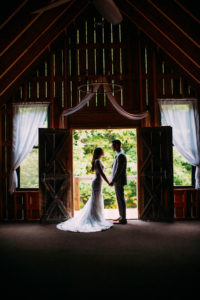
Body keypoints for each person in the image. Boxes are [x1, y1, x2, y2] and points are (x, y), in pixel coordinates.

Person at [56, 147, 113, 232]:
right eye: (102, 151)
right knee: (95, 199)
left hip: (98, 181)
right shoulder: (97, 161)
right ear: (100, 152)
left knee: (96, 199)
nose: (104, 152)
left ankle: (96, 216)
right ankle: (94, 217)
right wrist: (109, 182)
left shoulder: (97, 161)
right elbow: (102, 173)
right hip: (97, 181)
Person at [110, 140, 127, 224]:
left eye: (112, 145)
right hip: (117, 180)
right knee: (119, 198)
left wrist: (113, 180)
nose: (111, 146)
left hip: (119, 180)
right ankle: (121, 216)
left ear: (116, 145)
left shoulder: (121, 156)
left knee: (121, 199)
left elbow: (119, 170)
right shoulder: (118, 155)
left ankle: (123, 218)